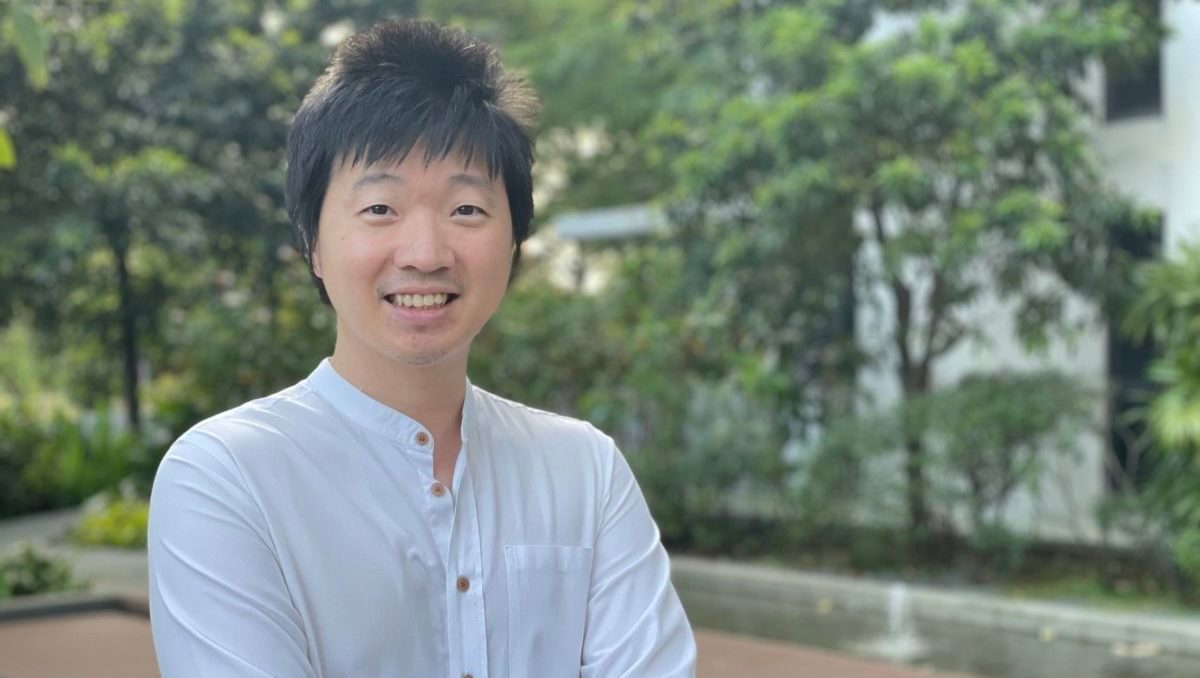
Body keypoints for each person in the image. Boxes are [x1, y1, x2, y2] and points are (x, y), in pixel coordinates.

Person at [146, 18, 697, 678]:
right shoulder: (228, 476)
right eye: (380, 208)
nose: (426, 253)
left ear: (513, 242)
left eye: (467, 210)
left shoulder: (585, 470)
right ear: (313, 244)